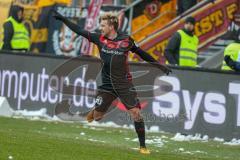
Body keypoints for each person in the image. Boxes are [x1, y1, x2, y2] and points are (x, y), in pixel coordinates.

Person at [53, 10, 171, 154]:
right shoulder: (99, 39)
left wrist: (159, 65)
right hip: (107, 85)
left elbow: (141, 53)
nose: (100, 28)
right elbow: (79, 30)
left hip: (124, 84)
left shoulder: (127, 40)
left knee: (136, 113)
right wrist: (63, 19)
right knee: (97, 117)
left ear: (111, 26)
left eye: (103, 25)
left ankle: (142, 146)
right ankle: (94, 111)